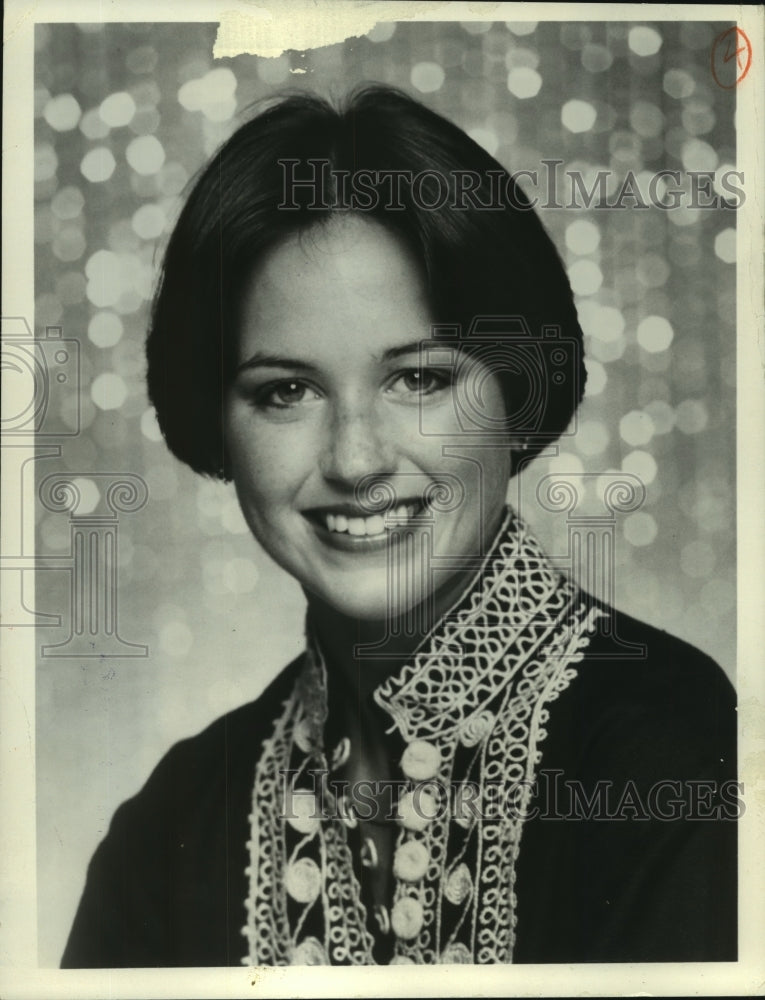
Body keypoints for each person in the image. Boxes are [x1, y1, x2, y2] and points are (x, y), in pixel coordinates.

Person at [61, 85, 737, 967]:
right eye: (284, 391)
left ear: (518, 394)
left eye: (417, 380)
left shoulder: (676, 753)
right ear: (216, 422)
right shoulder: (170, 824)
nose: (354, 459)